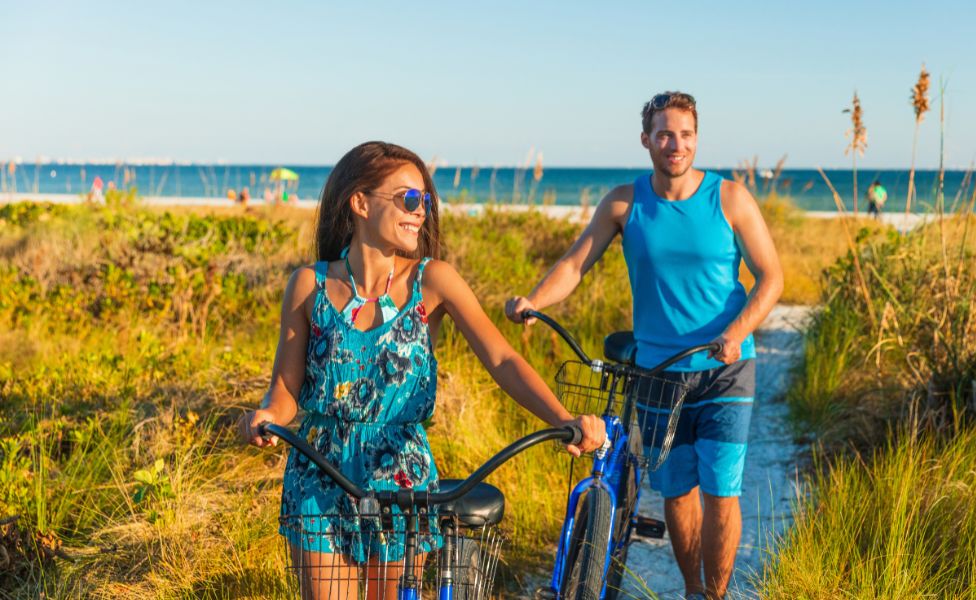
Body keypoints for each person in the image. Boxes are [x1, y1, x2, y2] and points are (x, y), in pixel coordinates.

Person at [238, 141, 605, 600]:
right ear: (360, 202)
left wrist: (563, 419)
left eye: (425, 203)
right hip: (320, 474)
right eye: (409, 200)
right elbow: (285, 390)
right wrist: (265, 416)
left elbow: (502, 358)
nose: (420, 213)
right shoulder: (308, 285)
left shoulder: (432, 281)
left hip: (401, 475)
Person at [505, 92, 783, 600]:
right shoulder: (624, 202)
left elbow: (772, 278)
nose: (676, 144)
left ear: (696, 139)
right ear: (646, 140)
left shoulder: (731, 199)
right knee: (677, 493)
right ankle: (693, 587)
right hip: (657, 373)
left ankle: (713, 597)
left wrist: (736, 333)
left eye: (685, 134)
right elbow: (574, 264)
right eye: (664, 134)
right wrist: (533, 299)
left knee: (722, 492)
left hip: (725, 369)